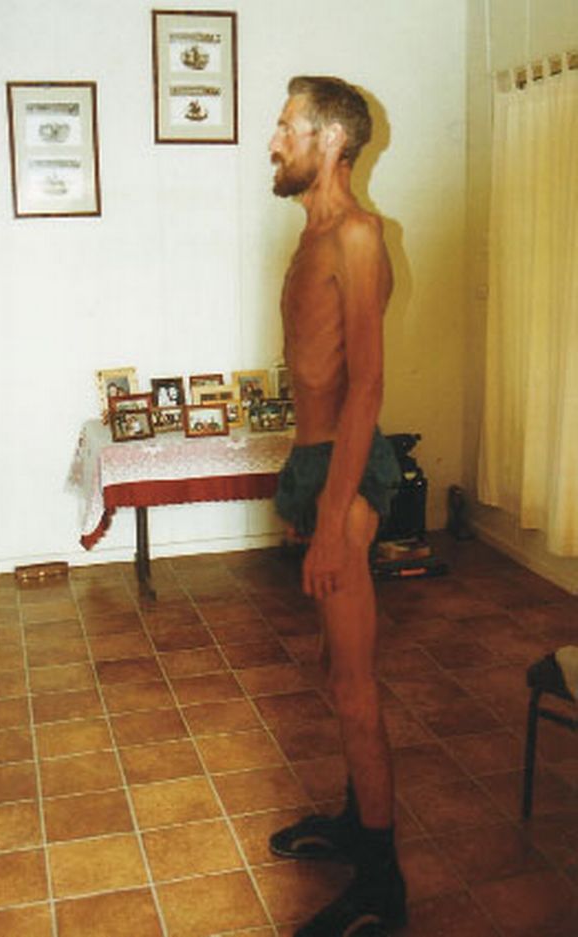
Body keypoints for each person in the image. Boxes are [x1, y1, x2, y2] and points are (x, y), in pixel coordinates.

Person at [269, 76, 406, 936]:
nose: (273, 141)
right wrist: (304, 487)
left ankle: (382, 883)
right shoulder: (312, 232)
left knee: (355, 686)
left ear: (329, 140)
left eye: (286, 126)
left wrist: (331, 516)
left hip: (344, 477)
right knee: (334, 668)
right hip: (313, 463)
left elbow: (366, 388)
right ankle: (358, 820)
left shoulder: (356, 233)